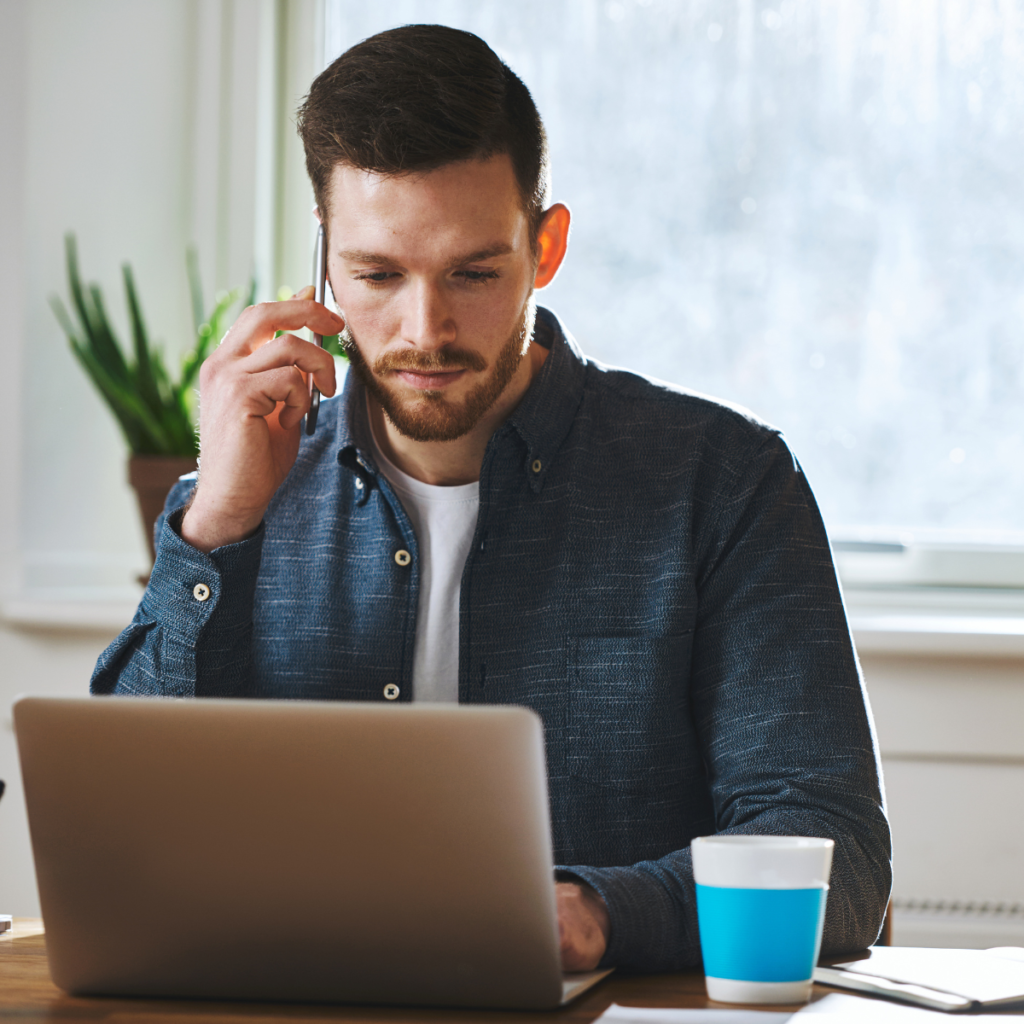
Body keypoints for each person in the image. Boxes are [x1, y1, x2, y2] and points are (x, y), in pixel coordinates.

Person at [93, 24, 891, 973]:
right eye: (378, 275)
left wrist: (603, 913)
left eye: (474, 273)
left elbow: (833, 852)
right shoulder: (240, 489)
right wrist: (215, 527)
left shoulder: (723, 483)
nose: (425, 330)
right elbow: (115, 838)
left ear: (544, 247)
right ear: (323, 268)